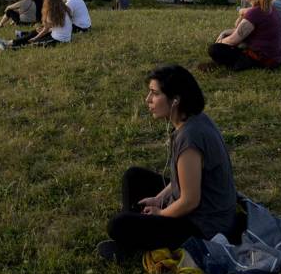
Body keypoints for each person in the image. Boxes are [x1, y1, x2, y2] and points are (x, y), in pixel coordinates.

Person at [98, 65, 237, 263]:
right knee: (133, 176)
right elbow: (186, 178)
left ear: (175, 100)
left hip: (204, 226)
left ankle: (132, 243)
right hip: (204, 208)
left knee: (117, 225)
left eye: (154, 93)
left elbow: (190, 201)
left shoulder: (190, 138)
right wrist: (158, 197)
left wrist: (161, 214)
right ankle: (136, 234)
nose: (148, 100)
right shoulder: (194, 120)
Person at [201, 0, 281, 72]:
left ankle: (241, 63)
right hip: (274, 56)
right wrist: (224, 33)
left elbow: (234, 40)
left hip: (264, 59)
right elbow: (241, 29)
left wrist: (219, 42)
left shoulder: (255, 12)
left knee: (214, 49)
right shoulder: (267, 8)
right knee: (228, 40)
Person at [0, 0, 72, 50]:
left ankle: (7, 47)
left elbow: (46, 30)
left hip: (59, 40)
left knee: (32, 44)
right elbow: (57, 26)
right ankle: (7, 42)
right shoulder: (64, 8)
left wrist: (35, 38)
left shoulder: (52, 11)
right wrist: (39, 31)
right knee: (35, 32)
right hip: (58, 35)